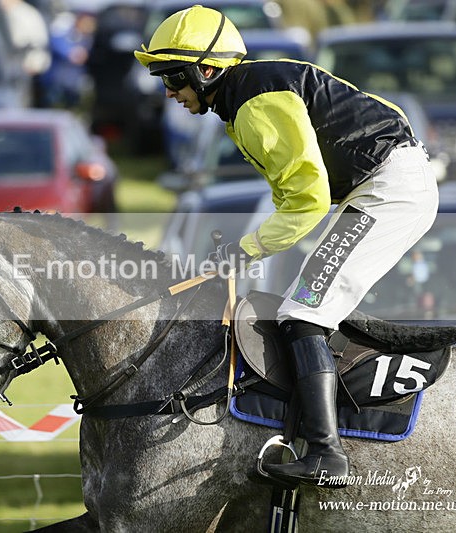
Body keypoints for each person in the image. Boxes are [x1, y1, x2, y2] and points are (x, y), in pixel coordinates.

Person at [135, 6, 438, 488]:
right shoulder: (243, 99)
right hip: (379, 184)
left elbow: (307, 200)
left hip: (388, 189)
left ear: (206, 70)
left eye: (173, 77)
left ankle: (326, 454)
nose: (168, 92)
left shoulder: (253, 102)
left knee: (303, 312)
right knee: (302, 305)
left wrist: (244, 251)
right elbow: (293, 194)